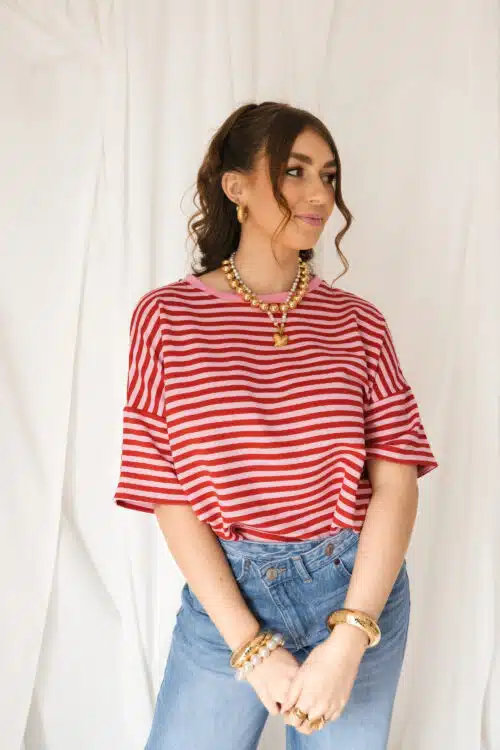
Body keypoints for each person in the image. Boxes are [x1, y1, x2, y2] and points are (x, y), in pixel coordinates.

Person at [113, 101, 438, 749]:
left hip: (355, 587)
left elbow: (396, 484)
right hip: (227, 595)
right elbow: (168, 491)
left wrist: (350, 638)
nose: (320, 194)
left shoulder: (358, 323)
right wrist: (250, 646)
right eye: (295, 171)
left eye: (329, 175)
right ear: (236, 187)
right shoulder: (168, 319)